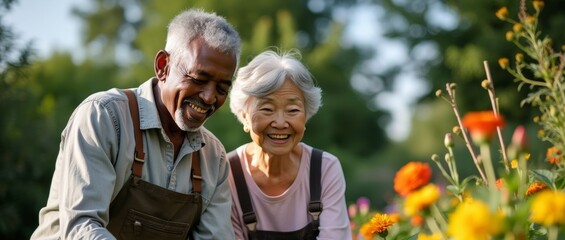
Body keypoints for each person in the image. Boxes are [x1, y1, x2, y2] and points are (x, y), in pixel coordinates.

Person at [31, 8, 240, 240]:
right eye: (199, 79)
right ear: (163, 66)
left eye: (222, 88)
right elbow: (81, 227)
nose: (210, 97)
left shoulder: (214, 158)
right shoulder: (103, 117)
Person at [227, 49, 351, 239]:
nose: (280, 122)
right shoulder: (227, 174)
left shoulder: (325, 169)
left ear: (306, 116)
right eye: (267, 109)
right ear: (244, 117)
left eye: (293, 110)